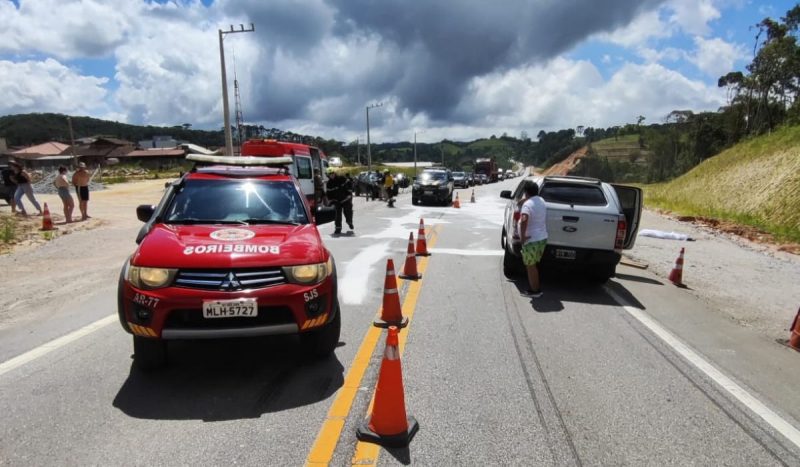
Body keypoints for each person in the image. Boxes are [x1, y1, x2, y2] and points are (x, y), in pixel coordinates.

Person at [518, 180, 548, 298]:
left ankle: (534, 291)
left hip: (531, 240)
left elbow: (524, 219)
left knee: (530, 266)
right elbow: (531, 201)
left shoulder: (527, 205)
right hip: (542, 238)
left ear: (526, 192)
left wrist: (523, 236)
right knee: (534, 265)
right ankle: (536, 288)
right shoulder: (541, 201)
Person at [325, 169, 354, 235]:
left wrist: (349, 193)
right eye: (330, 174)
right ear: (328, 175)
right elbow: (329, 193)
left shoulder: (342, 178)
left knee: (348, 212)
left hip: (346, 199)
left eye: (333, 173)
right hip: (337, 201)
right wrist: (331, 200)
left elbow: (350, 184)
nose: (332, 175)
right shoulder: (329, 183)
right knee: (337, 215)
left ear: (335, 173)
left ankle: (349, 222)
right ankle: (338, 228)